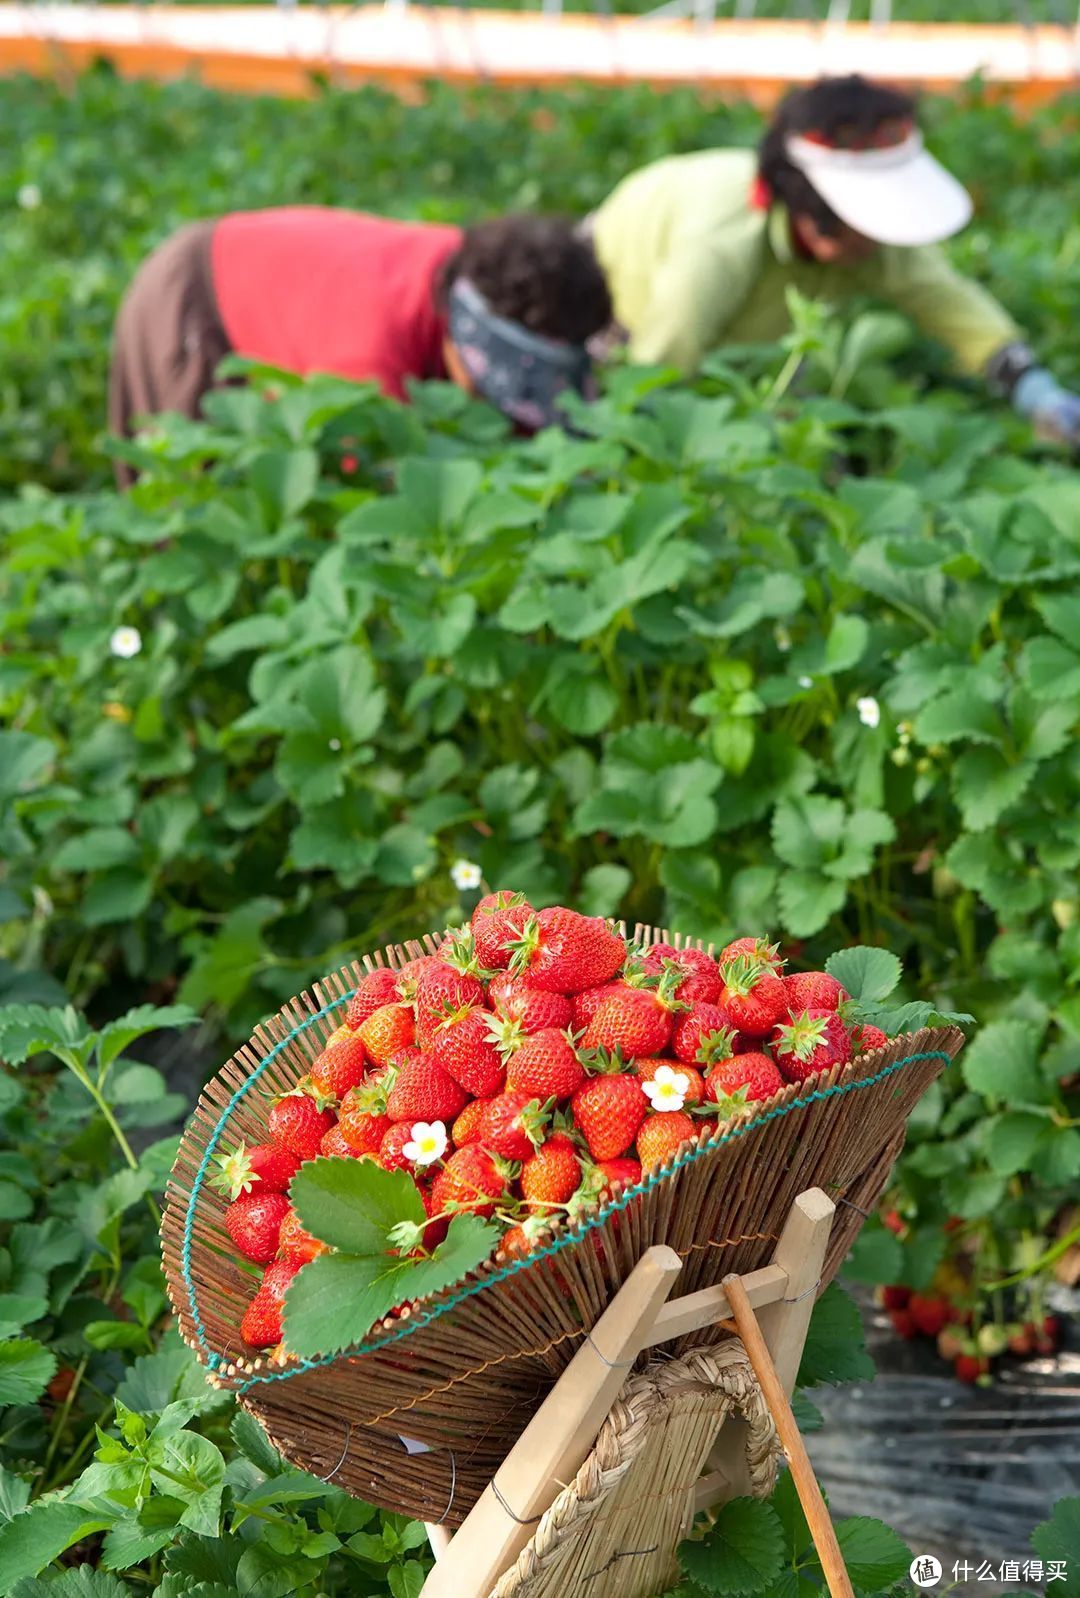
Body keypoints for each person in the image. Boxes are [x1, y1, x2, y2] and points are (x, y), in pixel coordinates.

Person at [588, 75, 1080, 445]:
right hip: (603, 307)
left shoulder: (866, 244)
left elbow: (947, 301)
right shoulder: (721, 242)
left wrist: (1033, 388)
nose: (878, 243)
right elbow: (659, 364)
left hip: (743, 352)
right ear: (807, 206)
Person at [108, 208, 612, 484]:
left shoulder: (479, 270)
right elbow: (367, 493)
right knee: (191, 492)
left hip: (297, 298)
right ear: (463, 336)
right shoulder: (368, 360)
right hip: (197, 299)